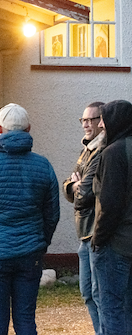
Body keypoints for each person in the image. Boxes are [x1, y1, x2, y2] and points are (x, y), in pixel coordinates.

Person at [0, 103, 60, 335]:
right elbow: (52, 213)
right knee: (26, 322)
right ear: (29, 129)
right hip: (30, 253)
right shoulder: (43, 165)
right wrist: (41, 241)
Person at [62, 102, 105, 334]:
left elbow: (84, 195)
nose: (86, 124)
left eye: (91, 119)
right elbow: (69, 186)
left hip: (95, 232)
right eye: (83, 120)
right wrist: (75, 185)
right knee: (87, 293)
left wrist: (76, 186)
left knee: (98, 294)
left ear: (102, 121)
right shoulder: (86, 150)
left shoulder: (102, 151)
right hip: (83, 234)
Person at [92, 99, 132, 335]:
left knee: (111, 308)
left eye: (104, 120)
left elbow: (110, 204)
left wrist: (98, 239)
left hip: (116, 244)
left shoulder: (114, 153)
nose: (101, 126)